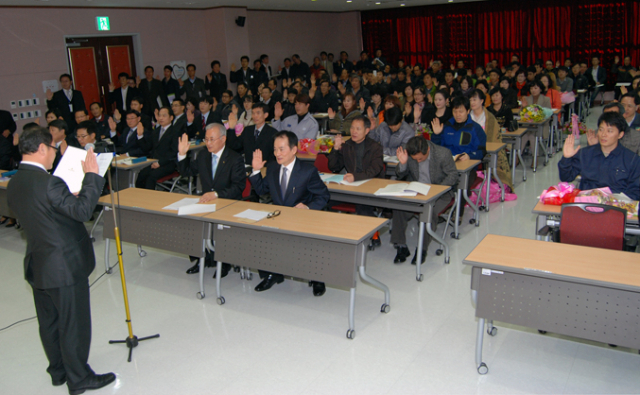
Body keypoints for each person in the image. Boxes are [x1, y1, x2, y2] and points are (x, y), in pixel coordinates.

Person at [7, 127, 116, 395]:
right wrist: (92, 176)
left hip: (38, 263)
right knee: (73, 322)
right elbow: (82, 212)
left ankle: (58, 370)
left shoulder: (15, 182)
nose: (55, 155)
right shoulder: (49, 182)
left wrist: (67, 200)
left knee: (50, 321)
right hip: (64, 265)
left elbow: (41, 214)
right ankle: (79, 378)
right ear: (42, 148)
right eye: (54, 149)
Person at [249, 131, 330, 295]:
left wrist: (307, 207)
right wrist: (256, 171)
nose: (277, 154)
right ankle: (272, 274)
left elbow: (323, 195)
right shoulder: (272, 168)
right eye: (275, 150)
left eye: (281, 149)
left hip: (302, 219)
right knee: (260, 235)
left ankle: (316, 278)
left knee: (309, 244)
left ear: (294, 150)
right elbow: (261, 190)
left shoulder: (307, 171)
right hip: (280, 217)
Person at [177, 124, 246, 276]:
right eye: (206, 139)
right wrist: (182, 155)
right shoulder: (203, 155)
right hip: (207, 203)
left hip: (228, 202)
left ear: (223, 139)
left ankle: (224, 263)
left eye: (212, 139)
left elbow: (238, 187)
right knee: (190, 223)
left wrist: (216, 194)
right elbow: (187, 171)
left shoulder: (234, 159)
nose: (208, 143)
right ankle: (202, 259)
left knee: (221, 228)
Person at [391, 136, 457, 264]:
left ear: (427, 149)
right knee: (399, 207)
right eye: (415, 159)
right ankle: (401, 246)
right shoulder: (408, 152)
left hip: (440, 193)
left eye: (421, 159)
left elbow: (453, 175)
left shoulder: (443, 154)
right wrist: (403, 164)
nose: (418, 161)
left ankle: (422, 249)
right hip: (417, 190)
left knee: (429, 212)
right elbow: (400, 174)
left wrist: (437, 189)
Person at [560, 112, 640, 200]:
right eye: (601, 129)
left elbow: (635, 191)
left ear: (620, 134)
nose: (603, 134)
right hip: (587, 204)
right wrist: (566, 158)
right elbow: (566, 177)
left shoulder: (632, 159)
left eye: (609, 131)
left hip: (615, 207)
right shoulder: (586, 153)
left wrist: (613, 200)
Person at [470, 89, 513, 191]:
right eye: (470, 100)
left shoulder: (489, 117)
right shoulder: (467, 116)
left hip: (487, 149)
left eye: (475, 100)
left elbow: (494, 137)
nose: (472, 102)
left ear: (482, 101)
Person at [136, 106, 180, 189]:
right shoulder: (156, 131)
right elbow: (147, 148)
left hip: (167, 164)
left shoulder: (175, 131)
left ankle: (150, 200)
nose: (161, 118)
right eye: (159, 115)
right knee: (141, 175)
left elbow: (174, 152)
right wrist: (140, 136)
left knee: (150, 177)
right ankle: (140, 197)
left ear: (171, 117)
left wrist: (160, 163)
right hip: (154, 162)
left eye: (164, 116)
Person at [430, 95, 486, 161]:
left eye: (461, 111)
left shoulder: (476, 128)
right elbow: (436, 149)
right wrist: (437, 134)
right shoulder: (447, 126)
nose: (457, 115)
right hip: (447, 163)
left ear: (468, 111)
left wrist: (470, 156)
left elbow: (482, 151)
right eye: (455, 111)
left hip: (467, 165)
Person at [521, 80, 551, 164]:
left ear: (540, 89)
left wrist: (538, 121)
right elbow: (522, 115)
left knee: (533, 135)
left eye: (535, 88)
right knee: (523, 135)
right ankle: (517, 156)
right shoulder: (526, 99)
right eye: (531, 88)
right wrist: (523, 107)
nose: (533, 90)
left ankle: (535, 159)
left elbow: (548, 115)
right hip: (527, 126)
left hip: (540, 126)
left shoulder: (545, 99)